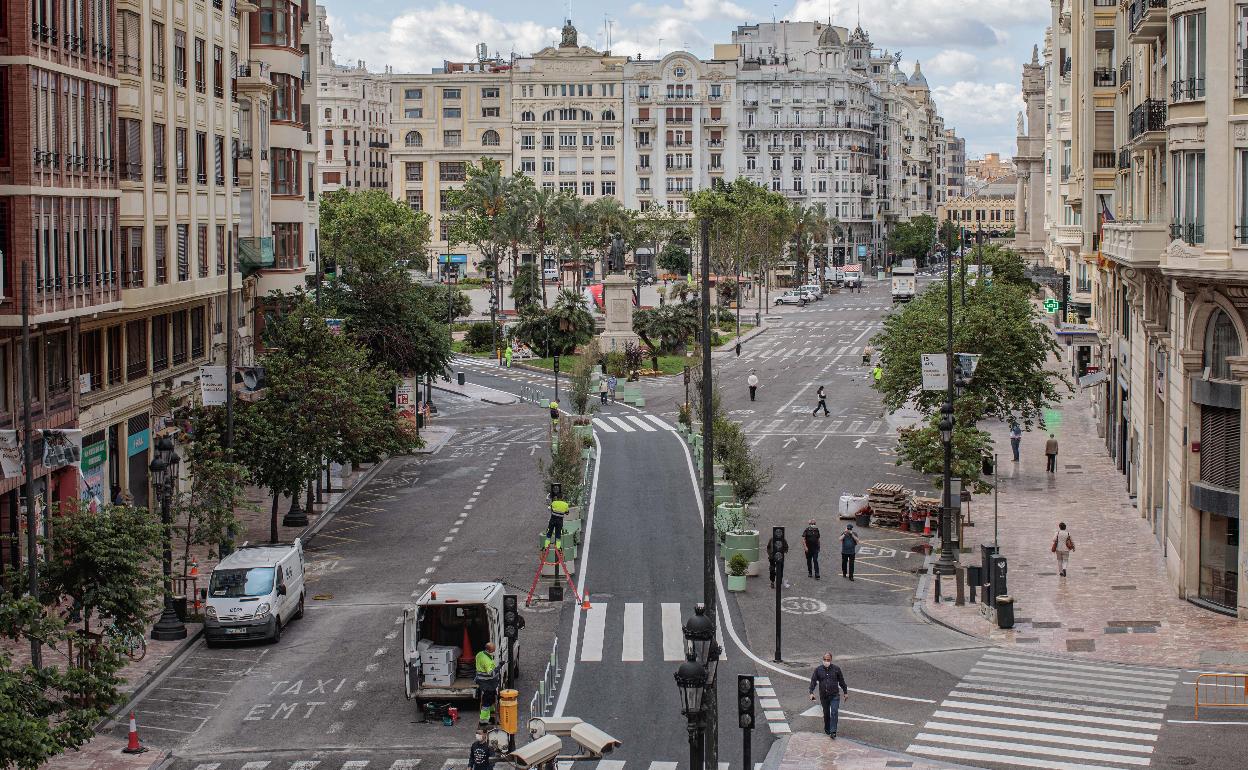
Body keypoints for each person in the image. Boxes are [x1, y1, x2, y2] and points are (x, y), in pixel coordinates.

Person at [808, 652, 849, 739]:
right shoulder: (818, 670)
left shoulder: (836, 669)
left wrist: (845, 692)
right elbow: (813, 681)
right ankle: (827, 729)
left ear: (831, 660)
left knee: (834, 712)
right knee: (826, 714)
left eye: (828, 660)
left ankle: (833, 731)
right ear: (823, 660)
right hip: (824, 696)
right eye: (825, 660)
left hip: (834, 695)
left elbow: (841, 681)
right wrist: (811, 692)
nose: (826, 661)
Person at [474, 642, 499, 725]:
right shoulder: (487, 660)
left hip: (481, 681)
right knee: (487, 701)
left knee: (492, 696)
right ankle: (483, 721)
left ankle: (491, 716)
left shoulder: (480, 654)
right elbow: (491, 674)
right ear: (490, 650)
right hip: (486, 683)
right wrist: (499, 667)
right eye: (494, 650)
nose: (495, 651)